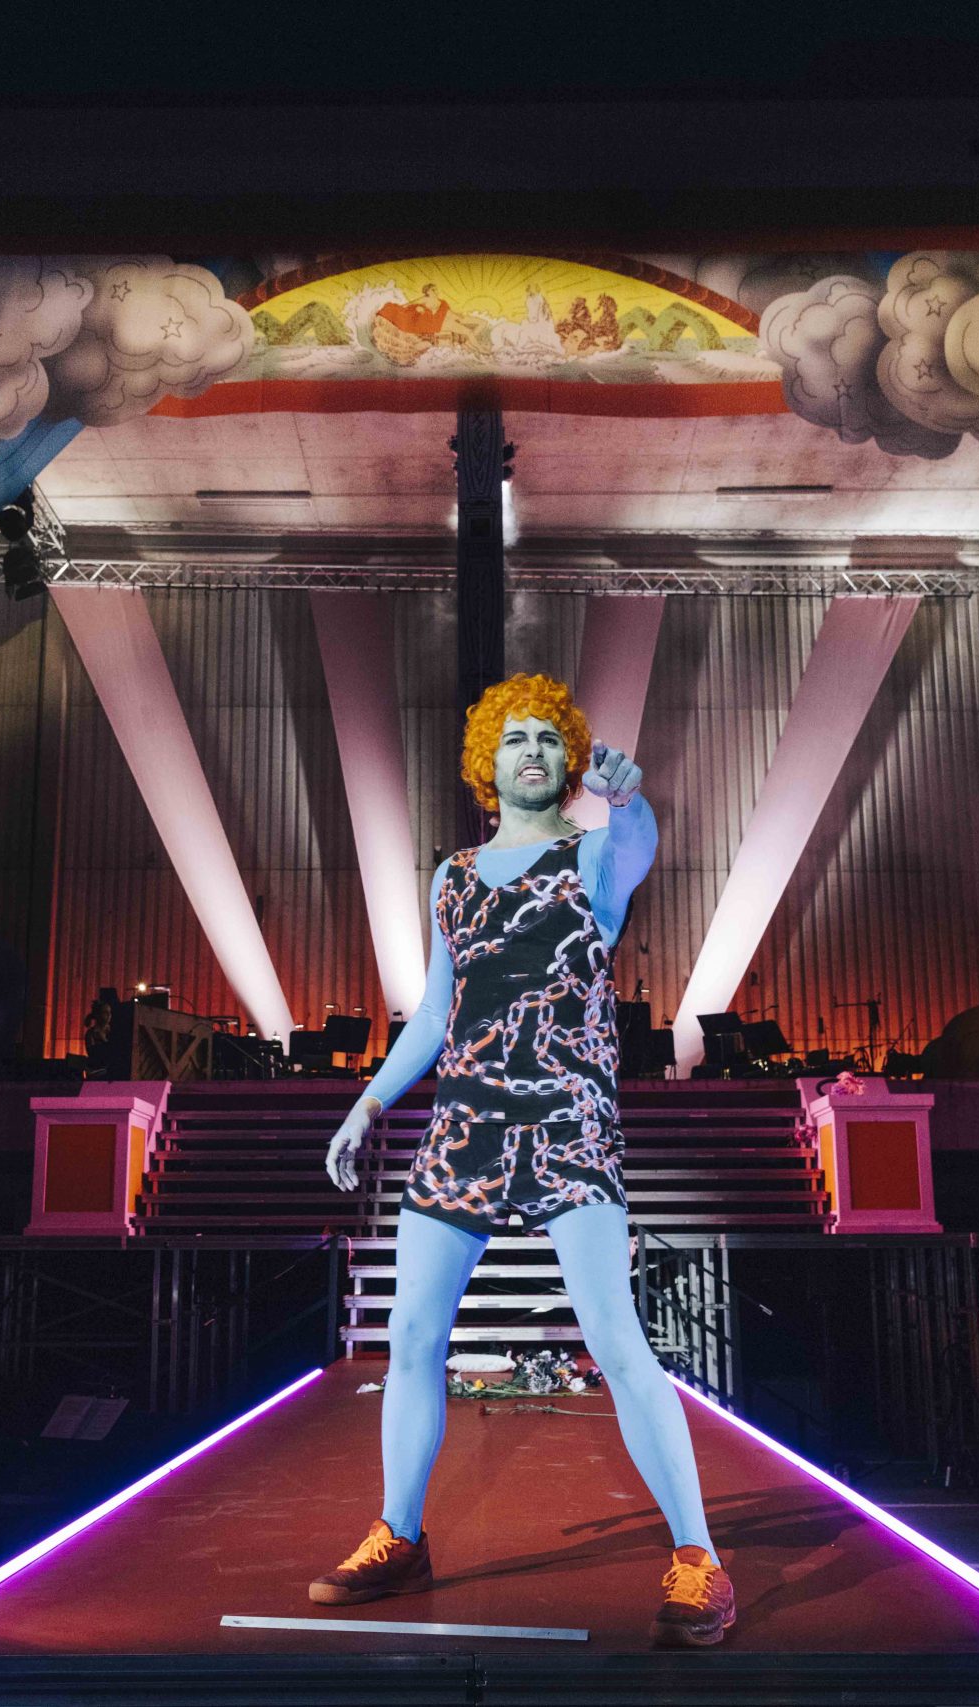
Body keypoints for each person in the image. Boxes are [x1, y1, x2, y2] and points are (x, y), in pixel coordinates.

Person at [307, 672, 736, 1647]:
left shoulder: (591, 861)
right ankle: (398, 1536)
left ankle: (699, 1558)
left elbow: (636, 851)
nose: (531, 751)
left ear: (568, 759)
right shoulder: (452, 877)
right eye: (514, 739)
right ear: (486, 763)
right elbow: (433, 1012)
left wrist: (630, 803)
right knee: (411, 1339)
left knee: (617, 1344)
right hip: (465, 1122)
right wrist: (366, 1103)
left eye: (548, 737)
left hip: (567, 1124)